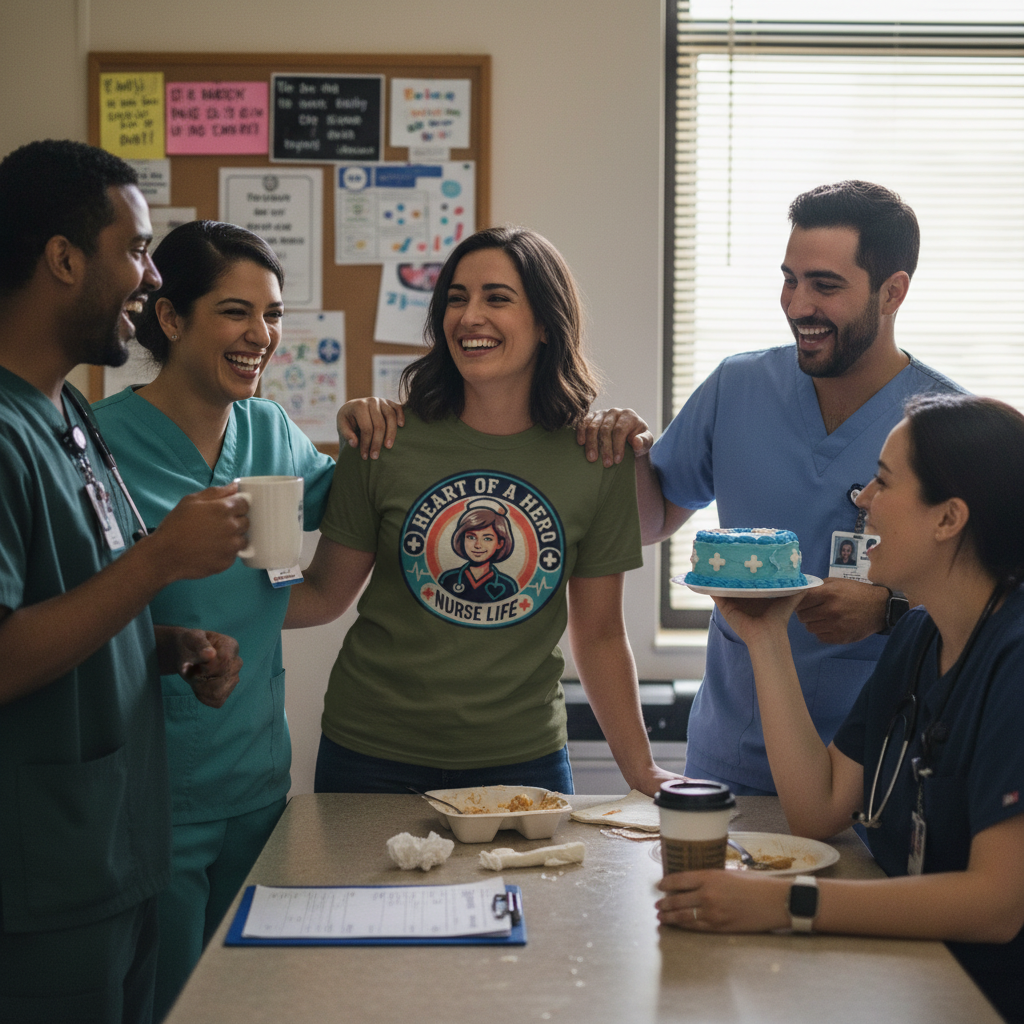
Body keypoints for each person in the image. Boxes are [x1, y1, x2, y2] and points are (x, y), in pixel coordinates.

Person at [656, 393, 1024, 1024]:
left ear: (948, 518)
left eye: (882, 482)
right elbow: (819, 805)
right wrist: (766, 635)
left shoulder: (1013, 661)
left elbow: (996, 905)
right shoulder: (919, 637)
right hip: (906, 973)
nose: (862, 500)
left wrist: (785, 904)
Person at [286, 226, 676, 797]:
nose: (469, 316)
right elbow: (325, 594)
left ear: (546, 323)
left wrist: (640, 770)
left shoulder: (597, 457)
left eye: (497, 298)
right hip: (370, 751)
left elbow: (597, 635)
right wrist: (201, 592)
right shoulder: (383, 439)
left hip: (523, 759)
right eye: (456, 298)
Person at [0, 141, 248, 1023]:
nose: (149, 278)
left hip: (121, 858)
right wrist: (162, 561)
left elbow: (69, 596)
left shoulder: (65, 410)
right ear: (65, 259)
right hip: (43, 884)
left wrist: (167, 647)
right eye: (136, 250)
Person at [632, 180, 966, 795]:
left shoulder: (944, 426)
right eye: (790, 279)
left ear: (892, 292)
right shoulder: (736, 388)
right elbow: (648, 523)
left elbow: (988, 604)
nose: (797, 305)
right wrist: (621, 449)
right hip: (728, 763)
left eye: (825, 285)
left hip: (875, 769)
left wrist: (888, 608)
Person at [90, 220, 336, 1020]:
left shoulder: (270, 432)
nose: (260, 336)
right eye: (236, 312)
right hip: (152, 792)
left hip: (260, 782)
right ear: (169, 318)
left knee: (256, 1000)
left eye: (271, 315)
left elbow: (363, 504)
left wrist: (383, 432)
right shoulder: (99, 443)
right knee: (166, 1001)